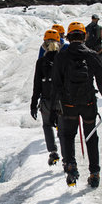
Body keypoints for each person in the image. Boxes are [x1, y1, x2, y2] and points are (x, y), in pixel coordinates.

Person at [55, 24, 102, 189]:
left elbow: (56, 84)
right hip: (88, 104)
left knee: (68, 136)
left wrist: (55, 108)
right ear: (84, 36)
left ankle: (71, 167)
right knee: (91, 138)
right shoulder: (92, 55)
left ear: (68, 37)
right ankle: (94, 173)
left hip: (68, 105)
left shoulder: (62, 56)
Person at [28, 24, 64, 166]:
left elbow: (37, 85)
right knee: (62, 127)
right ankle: (67, 156)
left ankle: (53, 152)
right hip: (61, 99)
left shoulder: (41, 62)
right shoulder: (63, 59)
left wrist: (33, 104)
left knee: (47, 125)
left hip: (46, 100)